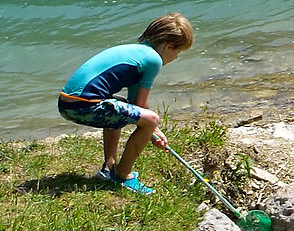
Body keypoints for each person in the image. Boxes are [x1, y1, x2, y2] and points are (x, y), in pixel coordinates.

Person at [58, 14, 194, 195]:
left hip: (67, 104)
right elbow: (142, 106)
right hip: (84, 106)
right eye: (178, 52)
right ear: (169, 46)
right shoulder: (154, 59)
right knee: (151, 119)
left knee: (119, 106)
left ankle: (109, 168)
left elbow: (134, 105)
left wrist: (154, 132)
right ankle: (123, 175)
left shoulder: (138, 52)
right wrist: (154, 129)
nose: (176, 57)